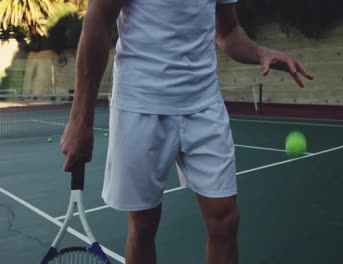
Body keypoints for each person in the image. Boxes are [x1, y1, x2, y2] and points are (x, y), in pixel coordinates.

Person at [60, 0, 313, 263]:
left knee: (225, 221)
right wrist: (81, 119)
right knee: (143, 226)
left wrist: (260, 52)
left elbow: (228, 32)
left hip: (204, 104)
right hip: (140, 103)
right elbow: (99, 17)